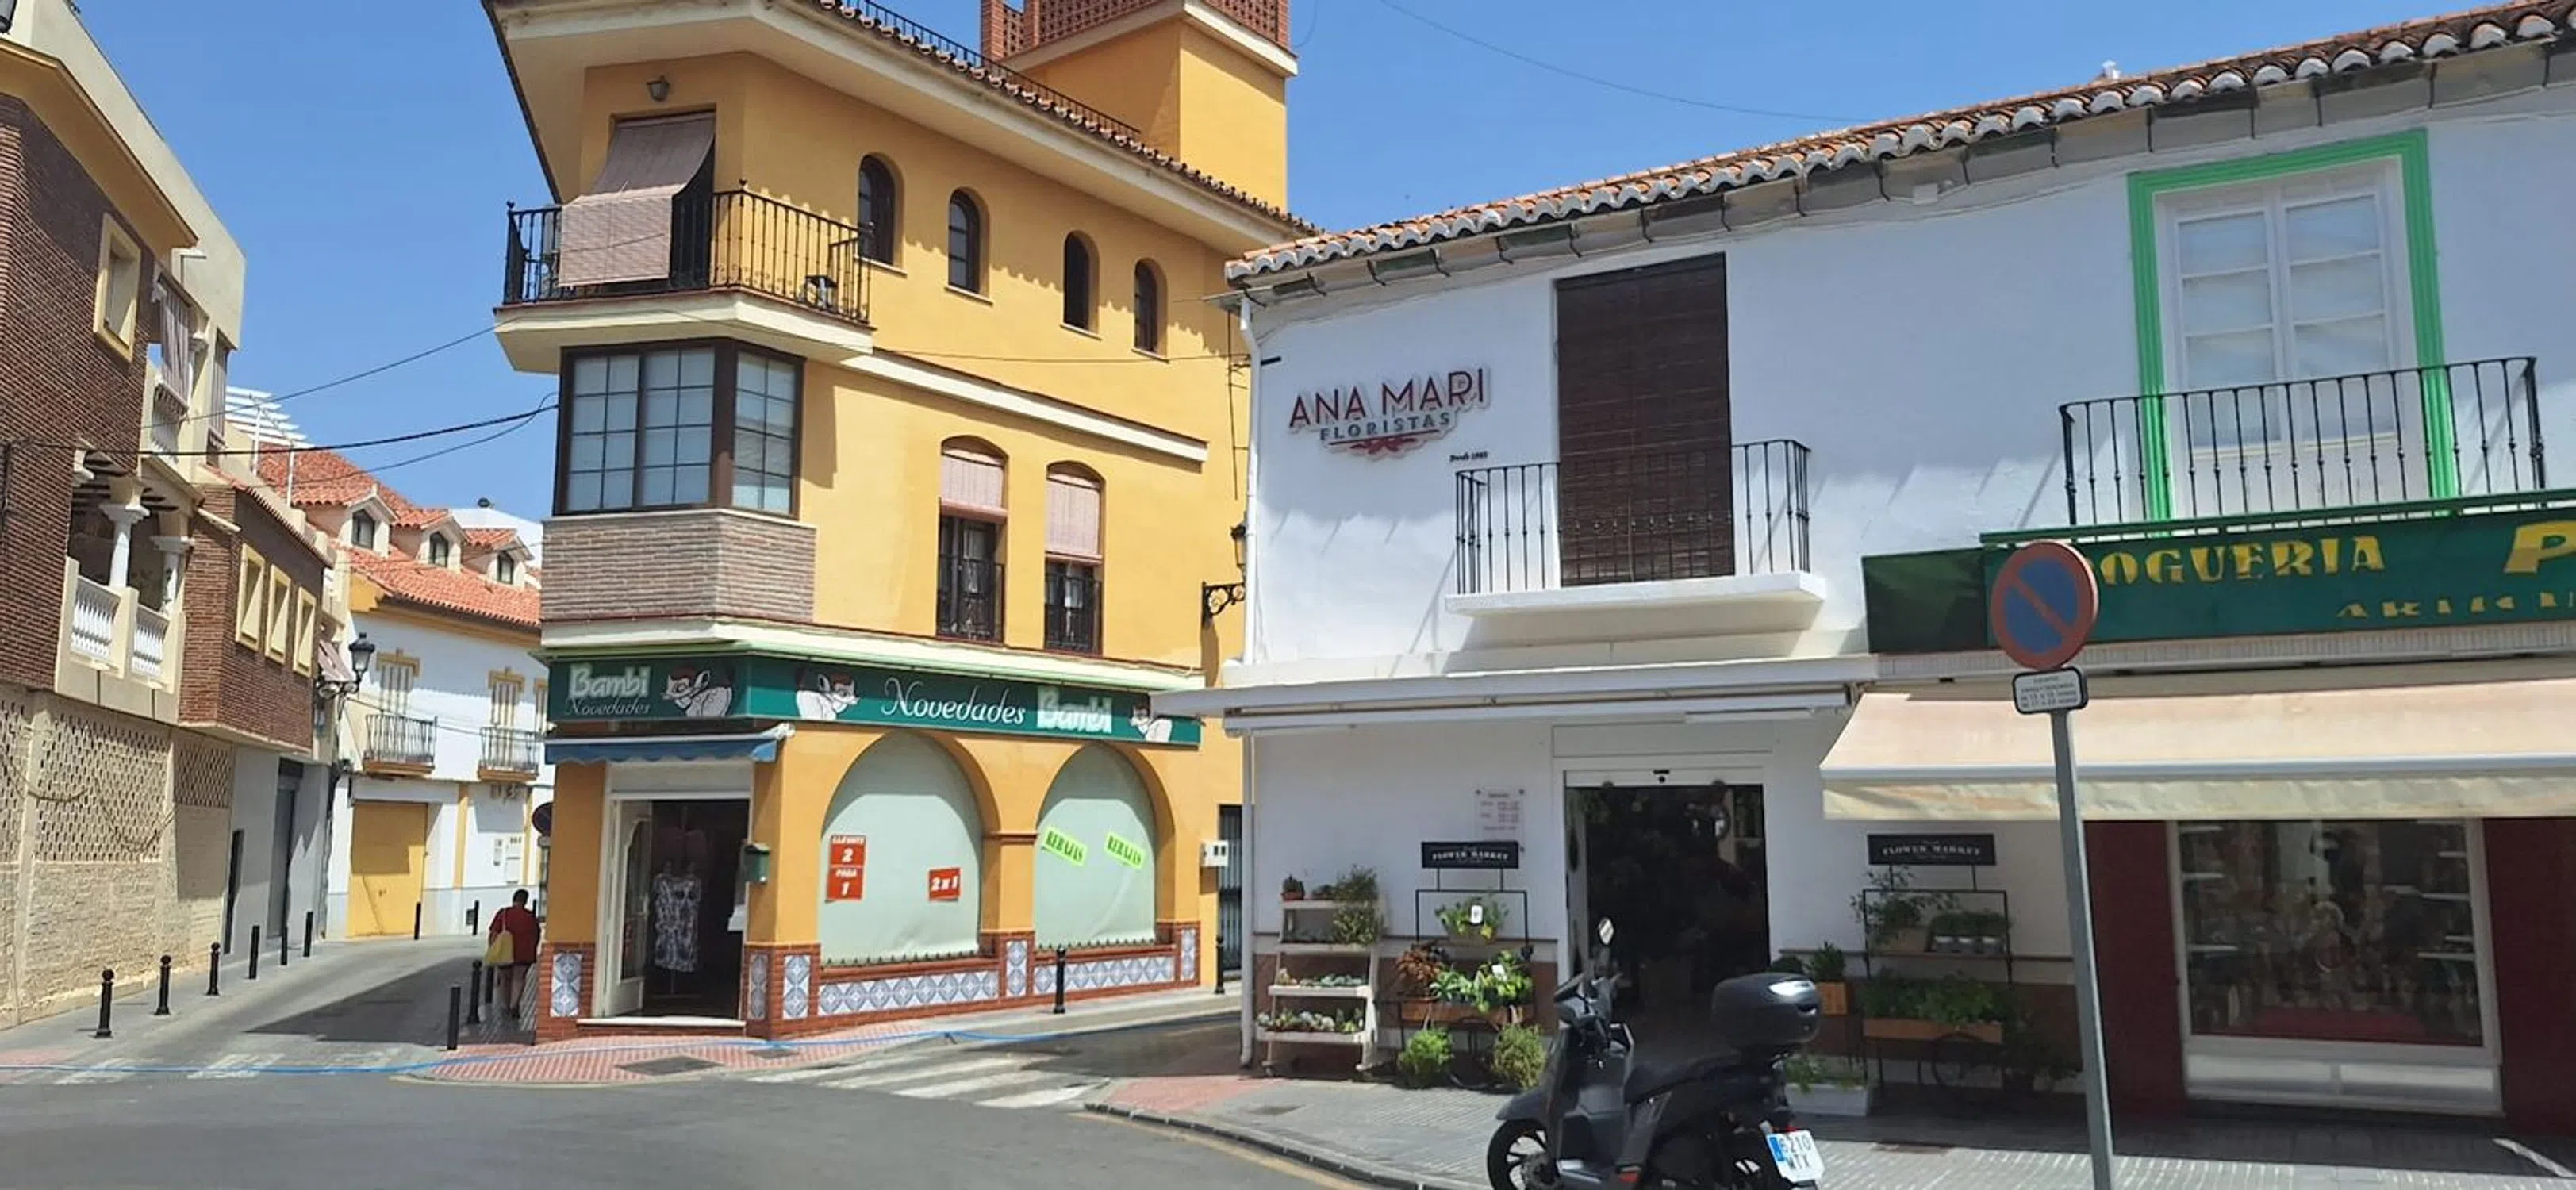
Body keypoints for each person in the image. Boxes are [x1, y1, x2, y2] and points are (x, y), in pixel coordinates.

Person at [488, 889, 541, 1021]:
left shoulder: (503, 913)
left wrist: (492, 950)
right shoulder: (530, 916)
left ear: (514, 899)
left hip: (505, 952)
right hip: (524, 953)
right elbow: (537, 935)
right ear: (525, 901)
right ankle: (514, 1006)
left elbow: (494, 933)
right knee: (519, 979)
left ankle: (506, 1006)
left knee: (505, 979)